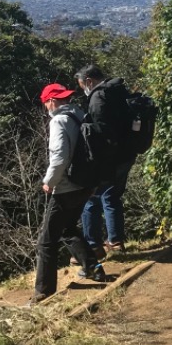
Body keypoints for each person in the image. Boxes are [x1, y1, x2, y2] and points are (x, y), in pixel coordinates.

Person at [31, 83, 107, 304]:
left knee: (46, 241)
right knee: (67, 228)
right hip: (85, 185)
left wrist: (49, 182)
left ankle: (43, 291)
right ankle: (93, 267)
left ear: (52, 101)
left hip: (65, 187)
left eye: (46, 103)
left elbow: (59, 157)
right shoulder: (80, 115)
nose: (46, 107)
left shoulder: (59, 121)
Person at [76, 64, 134, 253]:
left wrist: (97, 162)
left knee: (91, 199)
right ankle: (115, 241)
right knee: (112, 197)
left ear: (89, 81)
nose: (83, 90)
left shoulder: (98, 98)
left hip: (110, 159)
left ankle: (93, 246)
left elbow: (102, 133)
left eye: (82, 85)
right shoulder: (117, 91)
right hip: (127, 154)